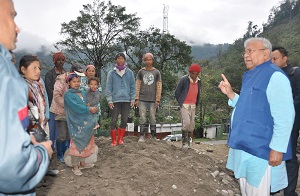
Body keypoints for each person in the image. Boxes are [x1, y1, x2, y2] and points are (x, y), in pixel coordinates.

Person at [218, 37, 294, 195]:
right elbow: (250, 106)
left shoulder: (275, 76)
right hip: (244, 145)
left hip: (259, 150)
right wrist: (231, 94)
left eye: (250, 51)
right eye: (244, 52)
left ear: (266, 54)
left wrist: (278, 148)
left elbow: (285, 116)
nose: (246, 55)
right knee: (246, 191)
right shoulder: (250, 75)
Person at [0, 0, 53, 195]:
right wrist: (41, 153)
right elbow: (10, 168)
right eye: (11, 16)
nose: (17, 27)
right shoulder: (5, 75)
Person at [271, 46, 300, 196]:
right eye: (271, 59)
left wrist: (284, 110)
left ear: (285, 58)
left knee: (289, 155)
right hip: (275, 122)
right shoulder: (272, 75)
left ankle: (290, 192)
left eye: (275, 58)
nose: (272, 61)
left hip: (291, 122)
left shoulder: (295, 73)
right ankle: (274, 187)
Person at [64, 73, 98, 176]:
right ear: (69, 82)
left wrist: (89, 106)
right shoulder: (68, 95)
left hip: (85, 121)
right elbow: (76, 107)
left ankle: (83, 163)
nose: (76, 83)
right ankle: (75, 166)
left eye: (78, 81)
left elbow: (85, 103)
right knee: (76, 143)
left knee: (86, 142)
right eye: (74, 81)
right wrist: (89, 108)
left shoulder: (82, 92)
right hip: (76, 123)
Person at [50, 63, 84, 162]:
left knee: (69, 134)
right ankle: (60, 154)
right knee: (62, 135)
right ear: (72, 72)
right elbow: (56, 96)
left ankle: (67, 152)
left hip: (72, 113)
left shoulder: (76, 81)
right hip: (60, 111)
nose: (78, 81)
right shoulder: (61, 79)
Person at [106, 53, 136, 146]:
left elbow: (132, 87)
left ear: (125, 60)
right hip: (115, 100)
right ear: (116, 60)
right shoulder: (112, 73)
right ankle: (113, 140)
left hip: (126, 100)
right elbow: (108, 88)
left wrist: (132, 99)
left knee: (124, 120)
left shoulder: (129, 72)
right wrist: (109, 100)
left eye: (122, 58)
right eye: (118, 58)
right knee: (114, 120)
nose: (120, 60)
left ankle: (120, 139)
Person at [19, 55, 49, 139]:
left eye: (39, 68)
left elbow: (42, 106)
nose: (38, 71)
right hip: (31, 133)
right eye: (34, 68)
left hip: (41, 125)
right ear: (23, 69)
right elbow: (26, 116)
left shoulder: (37, 85)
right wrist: (40, 137)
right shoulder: (21, 86)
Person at [135, 53, 162, 142]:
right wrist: (137, 98)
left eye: (150, 59)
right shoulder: (141, 72)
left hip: (153, 99)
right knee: (142, 117)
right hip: (142, 98)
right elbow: (138, 85)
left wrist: (157, 99)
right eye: (147, 59)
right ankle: (142, 135)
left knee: (152, 117)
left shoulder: (156, 72)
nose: (148, 61)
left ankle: (153, 136)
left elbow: (159, 86)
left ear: (152, 60)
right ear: (144, 60)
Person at [175, 64, 202, 148]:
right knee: (186, 122)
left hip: (193, 105)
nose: (194, 75)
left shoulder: (199, 81)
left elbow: (198, 93)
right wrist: (181, 102)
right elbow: (177, 92)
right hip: (185, 105)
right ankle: (184, 142)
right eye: (193, 73)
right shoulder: (184, 80)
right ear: (189, 72)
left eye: (196, 74)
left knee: (192, 125)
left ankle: (189, 141)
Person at [45, 52, 67, 149]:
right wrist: (58, 99)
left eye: (62, 60)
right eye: (58, 60)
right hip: (53, 106)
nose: (60, 62)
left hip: (64, 106)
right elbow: (49, 90)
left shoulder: (66, 73)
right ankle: (52, 147)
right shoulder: (49, 74)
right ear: (54, 61)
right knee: (53, 127)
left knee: (62, 128)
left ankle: (62, 149)